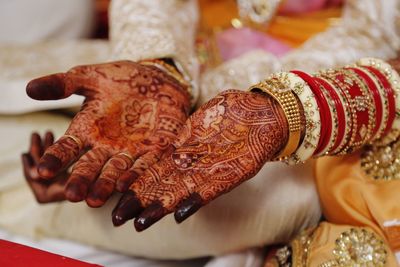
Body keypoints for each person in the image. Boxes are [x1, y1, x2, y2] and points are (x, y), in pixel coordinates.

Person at [2, 0, 400, 264]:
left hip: (310, 91)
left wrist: (285, 106)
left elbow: (374, 32)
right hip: (156, 62)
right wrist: (159, 66)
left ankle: (54, 205)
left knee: (273, 201)